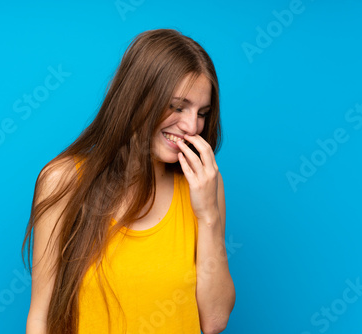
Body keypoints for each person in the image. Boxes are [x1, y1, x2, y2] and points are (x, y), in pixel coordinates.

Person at [22, 28, 235, 334]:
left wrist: (209, 215)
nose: (191, 126)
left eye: (202, 113)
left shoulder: (203, 187)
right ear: (137, 97)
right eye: (177, 106)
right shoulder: (63, 181)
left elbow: (214, 321)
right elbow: (40, 319)